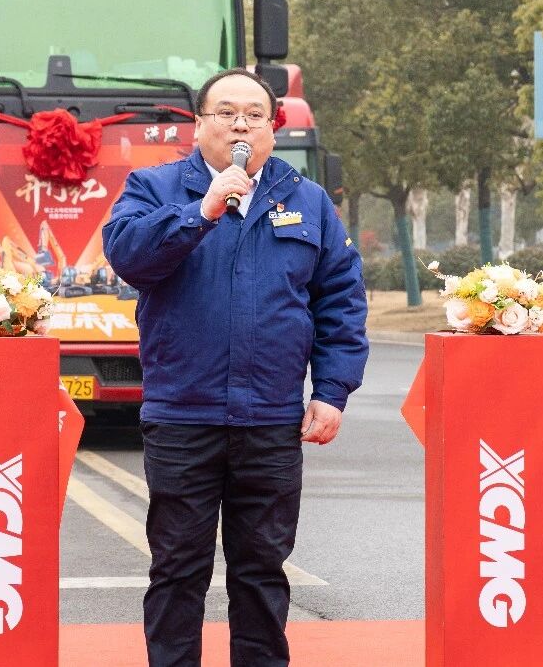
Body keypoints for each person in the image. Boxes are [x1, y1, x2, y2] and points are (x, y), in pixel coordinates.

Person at [103, 68, 368, 667]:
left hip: (270, 420)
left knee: (262, 570)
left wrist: (331, 391)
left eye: (254, 114)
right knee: (178, 568)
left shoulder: (307, 201)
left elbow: (340, 303)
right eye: (225, 113)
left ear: (272, 128)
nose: (240, 125)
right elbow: (128, 257)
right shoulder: (154, 188)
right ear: (199, 125)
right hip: (182, 416)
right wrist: (201, 210)